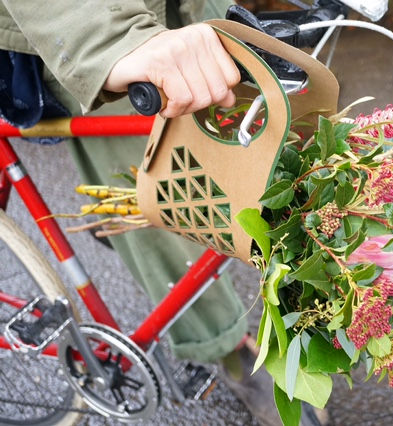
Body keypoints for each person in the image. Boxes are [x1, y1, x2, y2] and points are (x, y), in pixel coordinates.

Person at [0, 1, 325, 425]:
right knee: (165, 194)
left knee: (254, 147)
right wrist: (115, 38)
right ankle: (225, 346)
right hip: (78, 18)